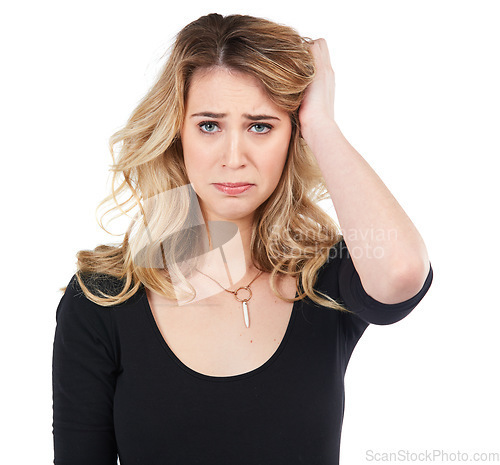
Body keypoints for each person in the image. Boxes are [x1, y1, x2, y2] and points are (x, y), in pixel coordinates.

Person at [52, 12, 433, 465]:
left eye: (261, 126)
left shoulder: (323, 279)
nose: (234, 158)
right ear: (177, 133)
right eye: (209, 125)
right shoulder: (104, 299)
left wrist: (322, 125)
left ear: (292, 136)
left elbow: (402, 272)